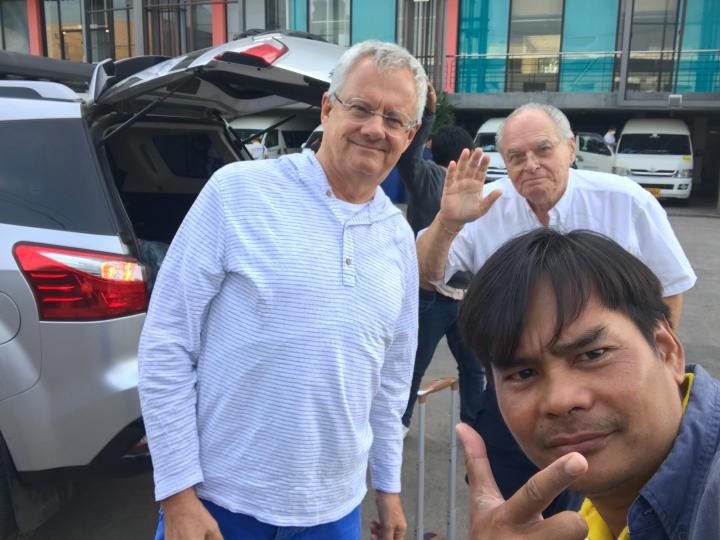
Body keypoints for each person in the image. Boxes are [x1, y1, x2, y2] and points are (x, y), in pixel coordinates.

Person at [138, 40, 428, 540]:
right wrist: (177, 494)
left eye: (394, 118)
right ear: (327, 108)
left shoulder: (398, 238)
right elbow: (167, 343)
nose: (374, 129)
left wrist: (389, 488)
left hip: (334, 512)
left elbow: (392, 381)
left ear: (411, 134)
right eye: (360, 107)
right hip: (219, 502)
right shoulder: (237, 192)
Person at [415, 102, 696, 513]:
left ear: (570, 148)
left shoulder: (626, 201)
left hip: (609, 386)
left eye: (543, 150)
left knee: (616, 505)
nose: (530, 165)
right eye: (516, 156)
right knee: (509, 502)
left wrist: (651, 367)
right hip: (520, 387)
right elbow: (426, 273)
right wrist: (448, 222)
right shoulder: (487, 205)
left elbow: (670, 288)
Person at [456, 228, 720, 540]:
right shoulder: (578, 503)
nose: (560, 400)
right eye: (524, 374)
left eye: (593, 354)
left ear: (667, 350)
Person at [395, 84, 485, 433]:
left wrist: (429, 114)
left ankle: (400, 424)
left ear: (433, 149)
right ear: (468, 151)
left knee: (414, 366)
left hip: (437, 294)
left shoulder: (425, 177)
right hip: (455, 293)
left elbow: (408, 156)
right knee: (472, 368)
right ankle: (474, 426)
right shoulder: (474, 184)